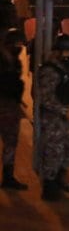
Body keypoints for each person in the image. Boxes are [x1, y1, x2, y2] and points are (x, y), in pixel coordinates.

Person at [37, 35, 69, 200]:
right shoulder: (50, 70)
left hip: (65, 116)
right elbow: (45, 97)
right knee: (53, 152)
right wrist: (64, 111)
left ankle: (61, 174)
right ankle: (50, 187)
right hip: (53, 118)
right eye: (67, 51)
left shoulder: (64, 68)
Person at [0, 29, 27, 190]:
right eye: (17, 44)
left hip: (10, 104)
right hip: (6, 105)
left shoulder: (13, 59)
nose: (19, 47)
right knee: (10, 141)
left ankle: (8, 177)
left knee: (11, 142)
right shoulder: (5, 59)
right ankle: (8, 177)